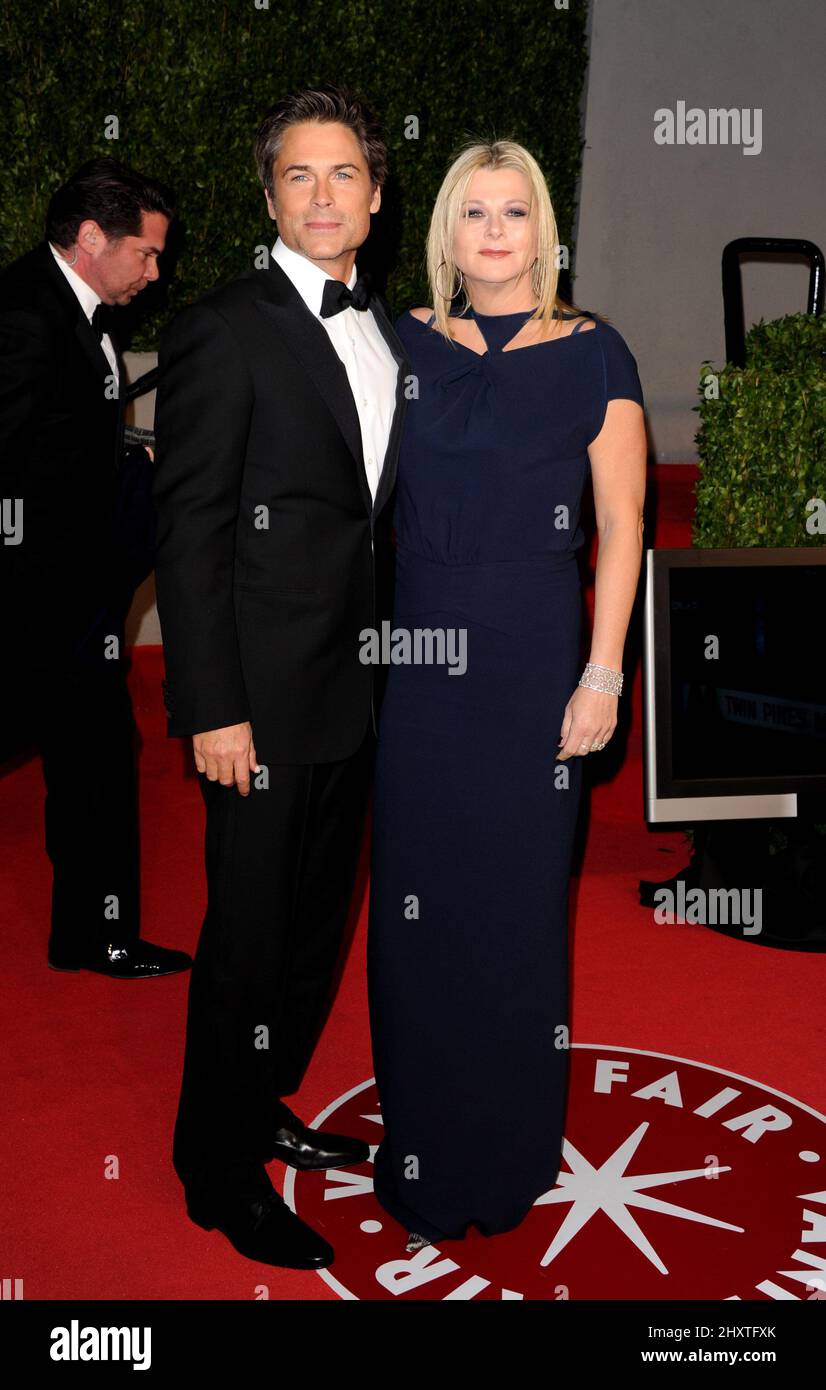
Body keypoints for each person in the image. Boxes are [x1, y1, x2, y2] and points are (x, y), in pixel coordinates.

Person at [367, 139, 647, 1249]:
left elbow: (623, 525)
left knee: (520, 913)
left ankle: (511, 1146)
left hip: (537, 653)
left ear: (544, 230)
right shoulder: (398, 345)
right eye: (473, 211)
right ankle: (424, 1141)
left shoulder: (594, 352)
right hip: (420, 661)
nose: (493, 230)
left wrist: (603, 671)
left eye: (514, 210)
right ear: (446, 231)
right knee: (418, 911)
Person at [152, 85, 408, 1270]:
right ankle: (214, 1167)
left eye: (342, 173)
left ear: (373, 191)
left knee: (314, 928)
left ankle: (263, 1103)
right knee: (248, 937)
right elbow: (190, 530)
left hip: (353, 692)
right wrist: (212, 705)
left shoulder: (390, 331)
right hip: (255, 703)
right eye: (298, 176)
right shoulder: (223, 326)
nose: (322, 196)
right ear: (268, 196)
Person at [0, 156, 190, 981]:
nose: (155, 272)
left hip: (78, 600)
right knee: (85, 759)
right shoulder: (21, 317)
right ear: (89, 238)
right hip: (29, 605)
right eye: (145, 254)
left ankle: (95, 935)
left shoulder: (89, 312)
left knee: (99, 763)